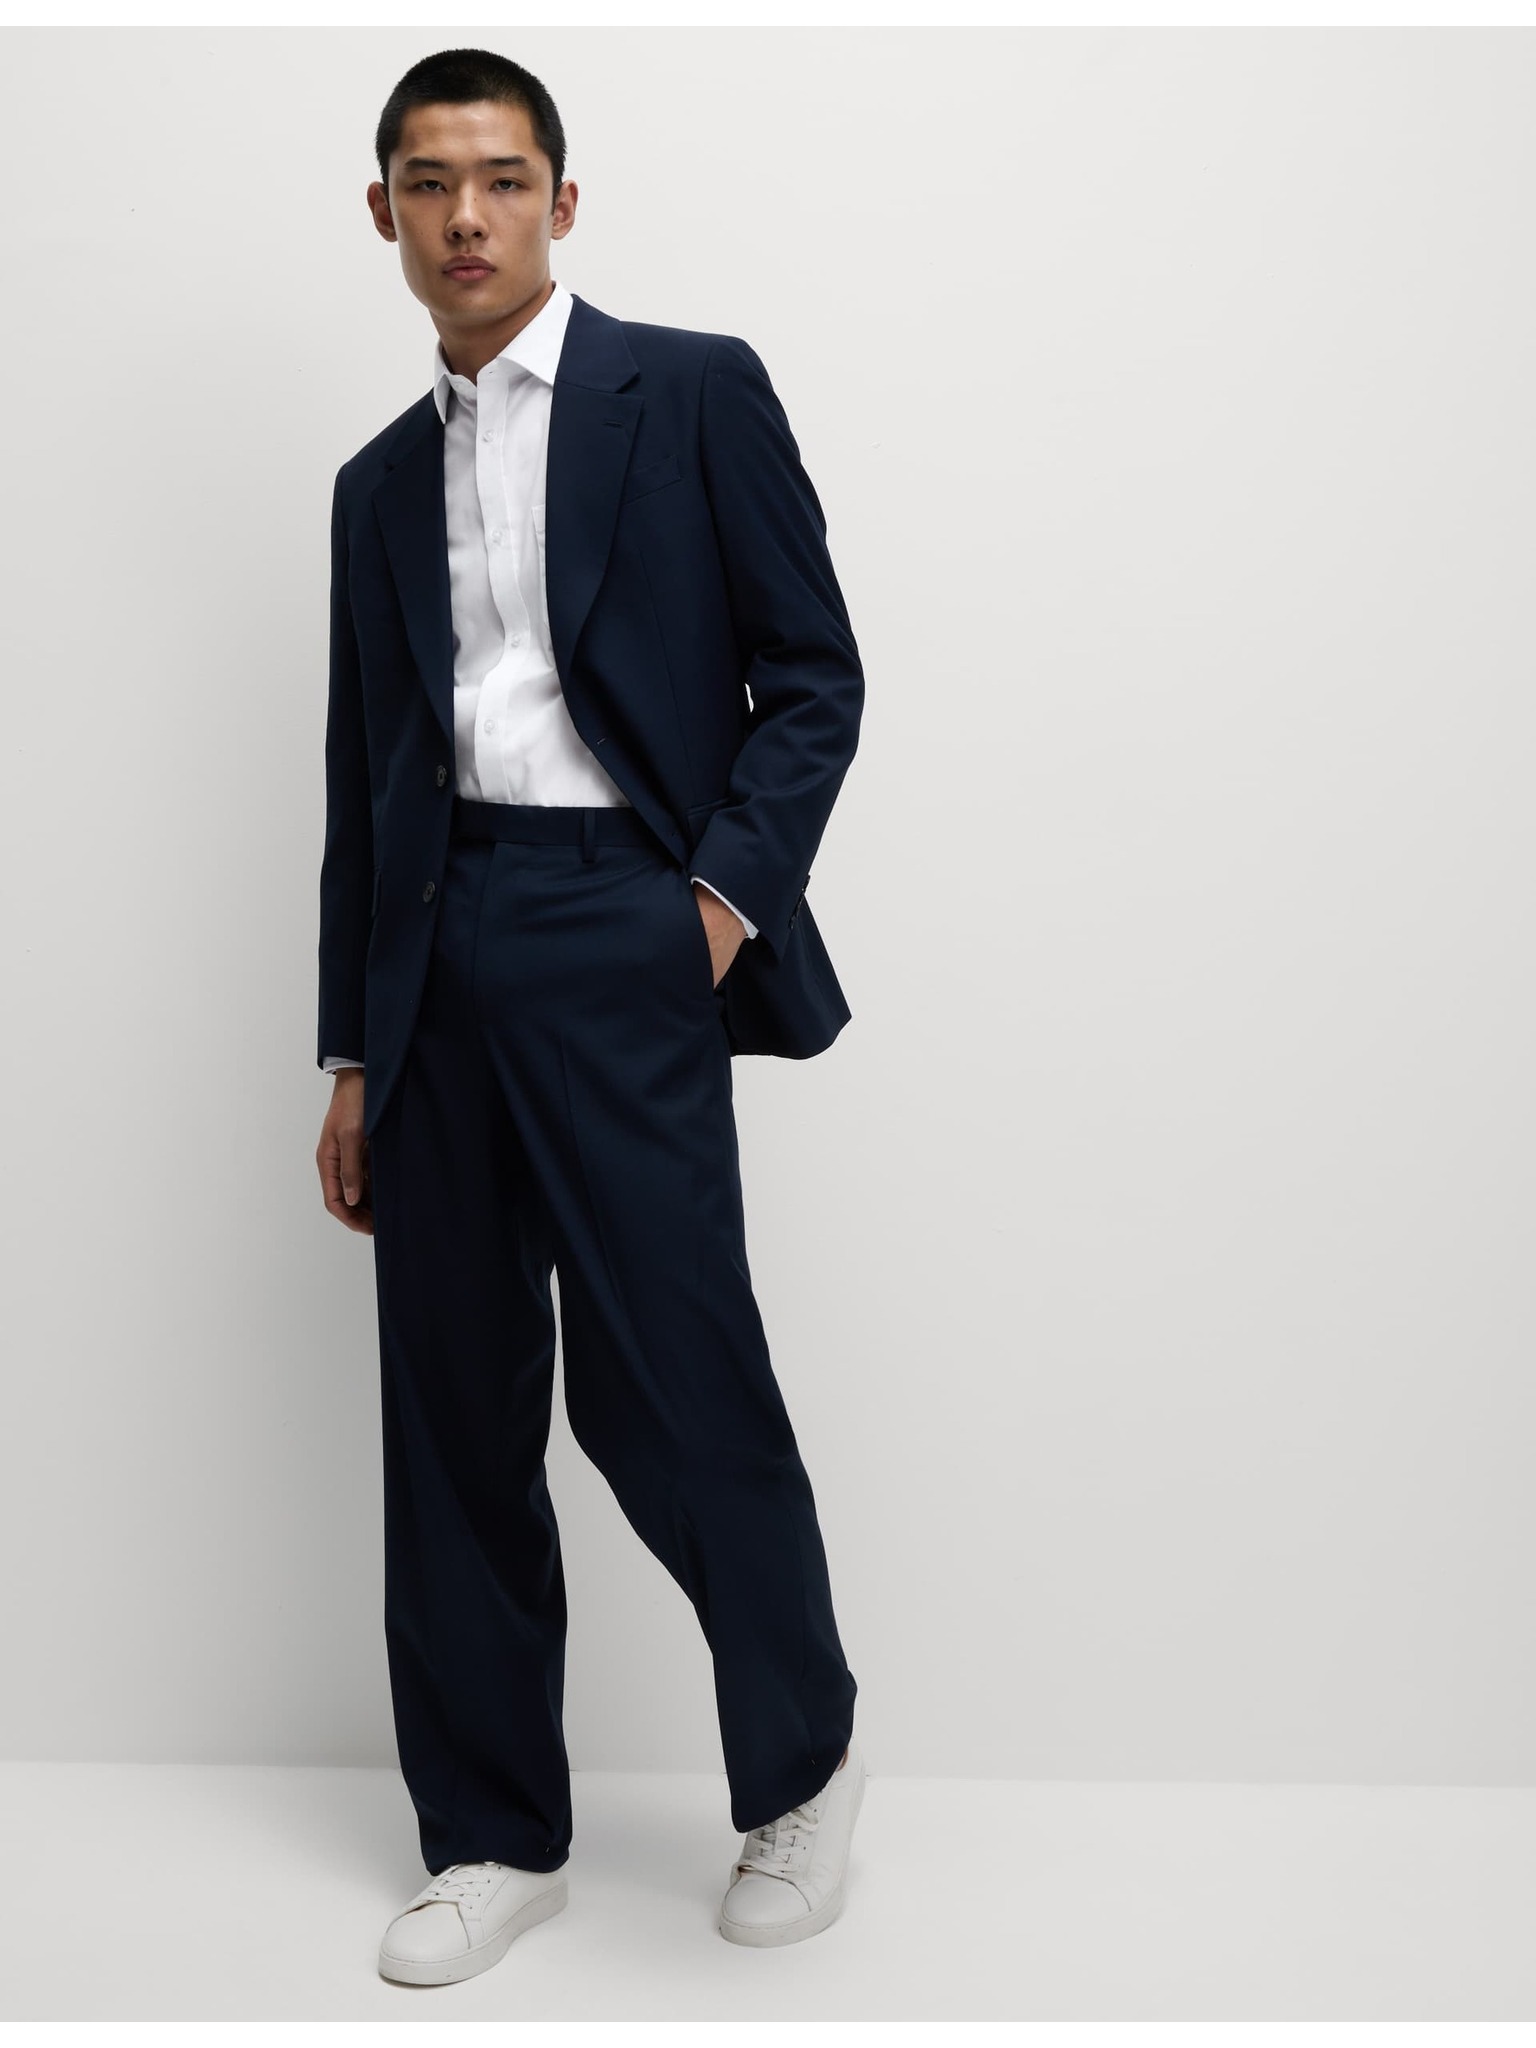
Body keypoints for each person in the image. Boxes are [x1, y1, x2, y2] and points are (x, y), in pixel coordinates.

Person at [313, 47, 866, 1987]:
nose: (465, 216)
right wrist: (352, 1052)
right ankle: (491, 1833)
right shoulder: (374, 486)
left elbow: (815, 674)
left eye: (501, 179)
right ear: (383, 213)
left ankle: (802, 1763)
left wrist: (709, 905)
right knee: (453, 1407)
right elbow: (363, 786)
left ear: (562, 200)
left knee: (670, 1380)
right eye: (428, 183)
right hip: (437, 949)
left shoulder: (690, 392)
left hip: (624, 923)